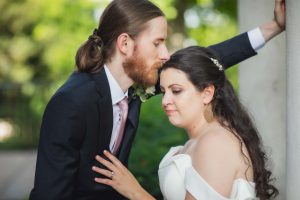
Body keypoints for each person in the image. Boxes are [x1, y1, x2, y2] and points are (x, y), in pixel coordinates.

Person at [29, 0, 285, 199]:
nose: (165, 54)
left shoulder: (136, 83)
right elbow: (50, 193)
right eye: (158, 43)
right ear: (125, 44)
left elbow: (201, 65)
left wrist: (273, 27)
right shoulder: (71, 102)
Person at [92, 46, 279, 200]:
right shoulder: (199, 140)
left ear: (207, 93)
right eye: (164, 91)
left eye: (176, 90)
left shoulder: (217, 142)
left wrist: (134, 191)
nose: (165, 100)